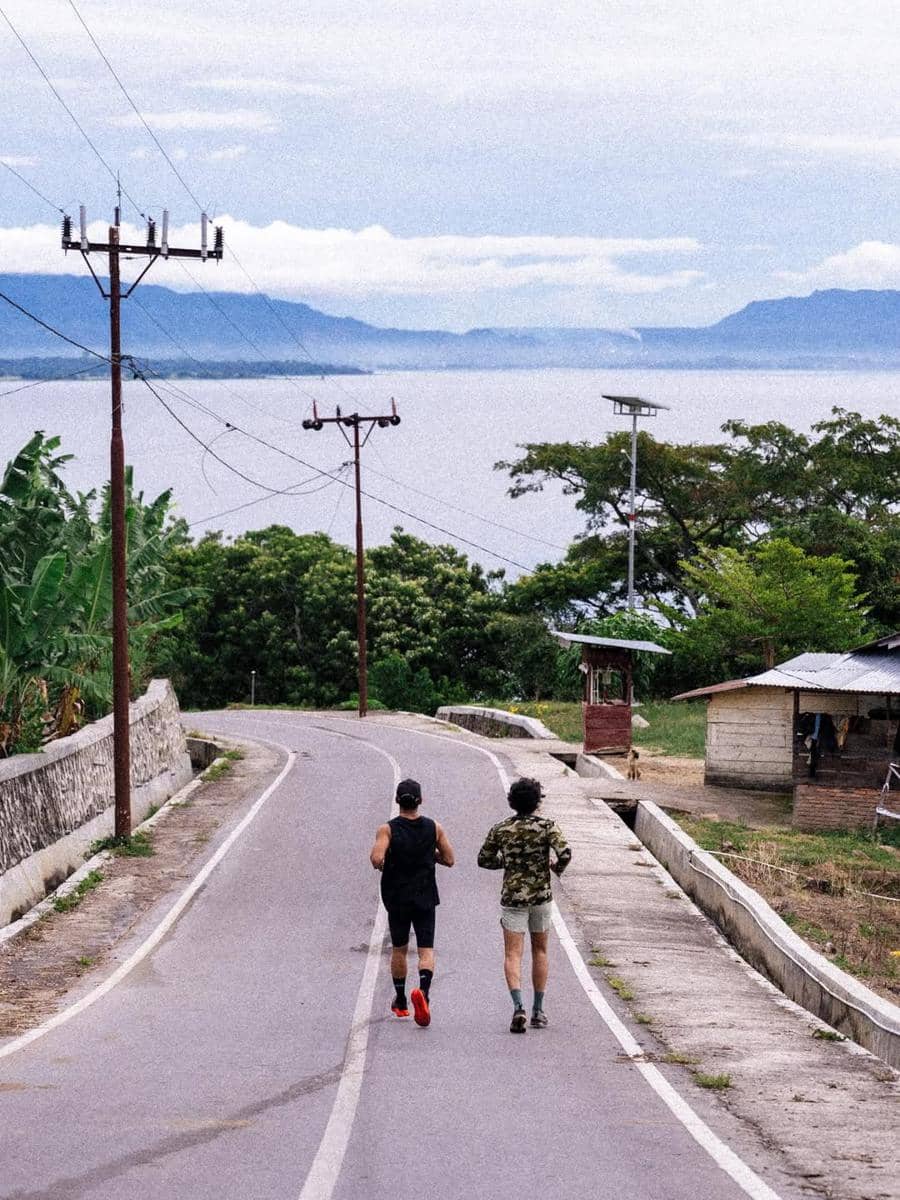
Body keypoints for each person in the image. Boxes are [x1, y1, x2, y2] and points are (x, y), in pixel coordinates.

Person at [477, 777, 571, 1033]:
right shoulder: (547, 826)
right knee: (540, 951)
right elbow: (565, 853)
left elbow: (484, 859)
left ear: (512, 801)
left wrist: (506, 862)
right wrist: (555, 868)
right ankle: (538, 1010)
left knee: (512, 954)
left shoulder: (501, 828)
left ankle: (518, 1005)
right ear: (536, 801)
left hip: (513, 898)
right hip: (541, 897)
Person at [370, 778, 455, 1027]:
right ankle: (424, 993)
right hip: (425, 894)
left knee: (399, 948)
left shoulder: (387, 829)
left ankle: (400, 1000)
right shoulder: (434, 828)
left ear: (397, 800)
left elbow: (376, 858)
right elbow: (450, 859)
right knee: (426, 949)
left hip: (397, 896)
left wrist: (386, 863)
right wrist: (431, 854)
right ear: (421, 800)